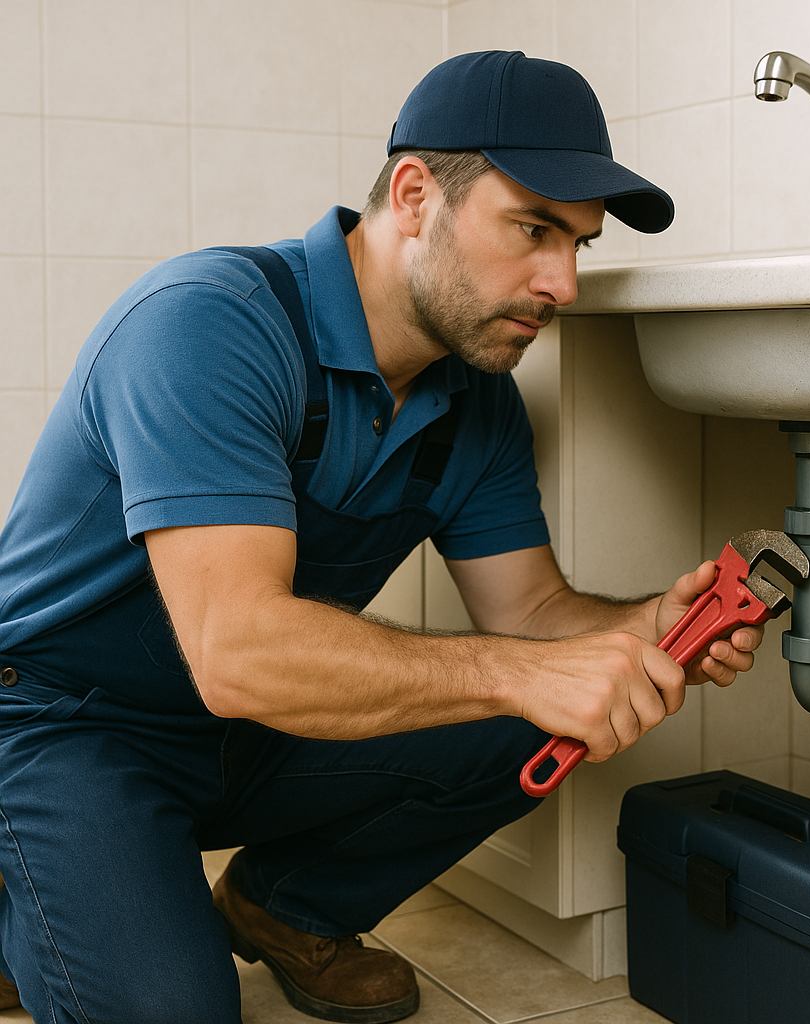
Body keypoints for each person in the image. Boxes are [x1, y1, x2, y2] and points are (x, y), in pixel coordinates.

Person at [0, 50, 761, 1024]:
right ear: (414, 195)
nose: (562, 282)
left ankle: (285, 908)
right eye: (532, 228)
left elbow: (530, 613)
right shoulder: (209, 327)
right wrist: (519, 670)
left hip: (233, 734)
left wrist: (643, 625)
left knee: (546, 705)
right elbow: (239, 651)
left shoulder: (476, 407)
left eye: (578, 244)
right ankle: (32, 892)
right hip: (66, 721)